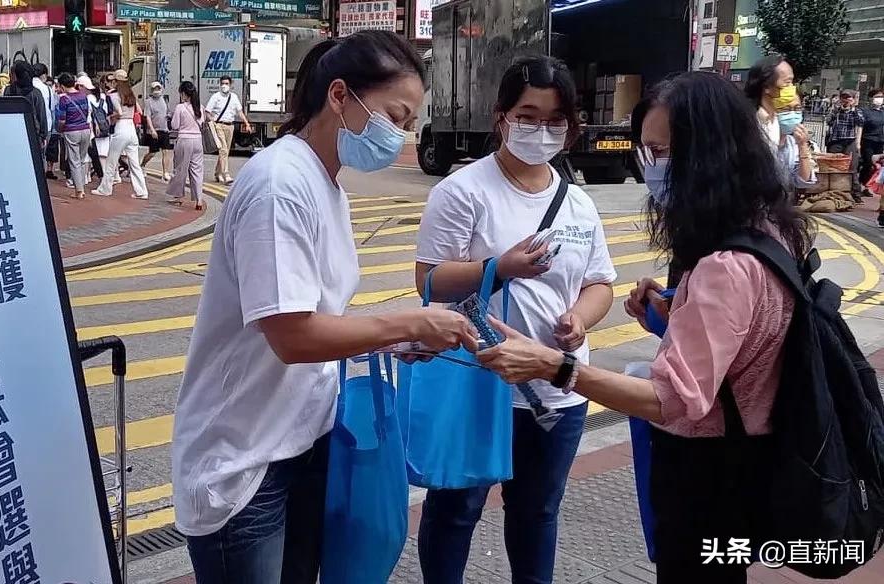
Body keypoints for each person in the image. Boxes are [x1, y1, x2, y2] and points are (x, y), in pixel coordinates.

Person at [477, 71, 814, 584]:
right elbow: (744, 339)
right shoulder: (768, 230)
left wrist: (556, 366)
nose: (649, 164)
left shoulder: (724, 265)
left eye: (661, 151)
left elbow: (674, 399)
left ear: (708, 155)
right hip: (750, 453)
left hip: (710, 469)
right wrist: (675, 312)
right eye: (647, 148)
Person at [171, 30, 479, 584]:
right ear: (340, 95)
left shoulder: (324, 182)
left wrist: (396, 339)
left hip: (302, 440)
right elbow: (292, 336)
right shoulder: (278, 184)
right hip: (245, 462)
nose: (401, 136)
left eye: (408, 124)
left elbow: (321, 317)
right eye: (395, 116)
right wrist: (407, 321)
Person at [413, 56, 616, 584]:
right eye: (529, 115)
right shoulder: (462, 192)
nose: (541, 129)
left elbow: (599, 284)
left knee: (537, 511)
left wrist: (580, 318)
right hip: (480, 385)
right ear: (502, 116)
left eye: (555, 119)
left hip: (556, 387)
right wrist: (497, 268)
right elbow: (428, 283)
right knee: (456, 509)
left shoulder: (578, 203)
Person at [92, 69, 149, 199]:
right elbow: (139, 111)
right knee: (134, 163)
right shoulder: (131, 94)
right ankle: (142, 191)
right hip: (131, 129)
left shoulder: (113, 96)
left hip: (121, 128)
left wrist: (110, 117)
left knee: (111, 161)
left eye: (113, 81)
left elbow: (119, 112)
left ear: (116, 81)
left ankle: (105, 189)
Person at [205, 75, 252, 184]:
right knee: (223, 150)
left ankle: (218, 173)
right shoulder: (215, 97)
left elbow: (239, 112)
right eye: (222, 83)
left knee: (225, 151)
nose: (224, 86)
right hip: (219, 125)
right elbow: (207, 112)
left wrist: (247, 123)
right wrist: (213, 121)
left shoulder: (234, 97)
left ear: (230, 85)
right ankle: (225, 174)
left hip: (230, 126)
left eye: (226, 83)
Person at [166, 81, 205, 209]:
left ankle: (178, 196)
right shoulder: (200, 107)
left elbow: (175, 126)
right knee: (197, 171)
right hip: (198, 141)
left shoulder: (180, 108)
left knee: (180, 170)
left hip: (184, 140)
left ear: (183, 93)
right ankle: (199, 200)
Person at [55, 73, 93, 199]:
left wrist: (59, 129)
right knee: (81, 160)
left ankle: (79, 190)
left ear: (62, 85)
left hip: (72, 131)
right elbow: (87, 112)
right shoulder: (83, 96)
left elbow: (62, 120)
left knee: (74, 161)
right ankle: (81, 187)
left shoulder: (64, 99)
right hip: (86, 130)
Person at [744, 55, 794, 148]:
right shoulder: (748, 121)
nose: (792, 88)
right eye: (787, 82)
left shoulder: (777, 119)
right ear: (766, 86)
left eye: (792, 82)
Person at [826, 90, 865, 201]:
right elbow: (829, 121)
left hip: (850, 141)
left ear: (853, 99)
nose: (846, 100)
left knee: (852, 168)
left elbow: (860, 122)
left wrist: (853, 108)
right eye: (843, 97)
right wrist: (836, 109)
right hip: (836, 141)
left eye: (848, 98)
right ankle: (831, 191)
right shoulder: (836, 110)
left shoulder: (856, 111)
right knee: (832, 167)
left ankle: (856, 194)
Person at [3, 61, 49, 147]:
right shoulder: (35, 93)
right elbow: (41, 114)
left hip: (12, 131)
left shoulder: (8, 90)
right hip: (33, 132)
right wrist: (43, 134)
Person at [141, 81, 173, 180]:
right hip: (154, 130)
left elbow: (168, 111)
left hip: (164, 129)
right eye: (154, 89)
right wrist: (152, 130)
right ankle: (142, 165)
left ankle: (166, 172)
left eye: (158, 89)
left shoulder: (164, 99)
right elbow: (148, 117)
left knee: (166, 151)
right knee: (152, 152)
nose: (157, 91)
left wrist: (169, 116)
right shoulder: (148, 101)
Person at [81, 74, 108, 182]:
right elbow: (105, 112)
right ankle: (103, 176)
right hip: (103, 127)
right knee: (100, 155)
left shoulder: (87, 98)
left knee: (87, 154)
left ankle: (86, 176)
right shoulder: (103, 98)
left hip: (91, 128)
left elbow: (89, 114)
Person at [859, 88, 884, 198]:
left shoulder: (883, 112)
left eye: (881, 97)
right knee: (868, 164)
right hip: (868, 141)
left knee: (877, 166)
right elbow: (860, 127)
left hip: (880, 142)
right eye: (877, 97)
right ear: (871, 98)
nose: (880, 99)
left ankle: (868, 186)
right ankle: (861, 184)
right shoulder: (865, 111)